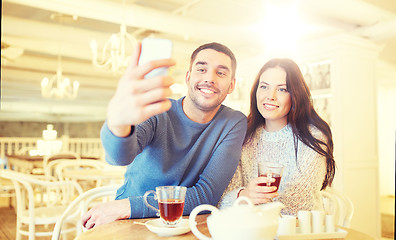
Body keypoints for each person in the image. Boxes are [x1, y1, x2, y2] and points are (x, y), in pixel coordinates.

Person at [82, 41, 247, 229]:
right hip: (129, 221)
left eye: (221, 73)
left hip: (177, 222)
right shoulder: (158, 110)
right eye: (201, 69)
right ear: (188, 77)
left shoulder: (234, 122)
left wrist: (127, 206)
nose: (210, 78)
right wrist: (118, 124)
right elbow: (119, 158)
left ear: (232, 85)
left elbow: (206, 195)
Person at [218, 58, 335, 215]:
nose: (270, 96)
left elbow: (299, 202)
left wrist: (248, 200)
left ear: (296, 95)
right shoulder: (243, 135)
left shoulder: (313, 137)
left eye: (282, 89)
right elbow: (223, 199)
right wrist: (244, 195)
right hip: (254, 230)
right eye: (264, 86)